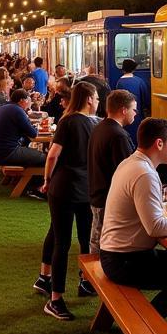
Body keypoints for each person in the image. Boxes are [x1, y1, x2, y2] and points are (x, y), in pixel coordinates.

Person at [99, 117, 167, 317]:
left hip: (115, 254)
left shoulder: (130, 163)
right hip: (124, 261)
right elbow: (155, 227)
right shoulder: (145, 173)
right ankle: (150, 320)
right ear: (159, 143)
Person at [37, 82, 99, 320]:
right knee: (85, 239)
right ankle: (85, 281)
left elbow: (53, 154)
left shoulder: (67, 121)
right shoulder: (96, 124)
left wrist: (46, 179)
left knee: (61, 240)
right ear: (89, 99)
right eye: (95, 97)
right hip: (86, 188)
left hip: (63, 187)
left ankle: (55, 296)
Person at [86, 89, 137, 259]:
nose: (135, 113)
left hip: (97, 193)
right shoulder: (118, 136)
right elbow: (128, 172)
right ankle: (91, 281)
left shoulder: (99, 128)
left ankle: (88, 280)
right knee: (102, 243)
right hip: (107, 198)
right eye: (133, 109)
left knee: (96, 238)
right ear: (124, 110)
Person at [0, 88, 46, 169]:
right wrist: (36, 126)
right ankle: (36, 180)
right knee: (44, 157)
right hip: (8, 154)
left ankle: (33, 180)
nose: (29, 102)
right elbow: (33, 134)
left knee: (34, 153)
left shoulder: (5, 108)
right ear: (22, 100)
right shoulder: (17, 110)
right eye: (27, 100)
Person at [114, 58, 150, 145]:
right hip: (137, 116)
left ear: (123, 68)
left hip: (123, 116)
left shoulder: (119, 83)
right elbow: (146, 100)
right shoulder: (139, 81)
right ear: (134, 69)